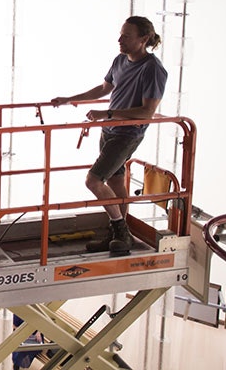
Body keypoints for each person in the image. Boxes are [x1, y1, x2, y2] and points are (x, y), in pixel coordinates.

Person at [51, 16, 167, 256]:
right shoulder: (120, 60)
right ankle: (120, 235)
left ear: (143, 39)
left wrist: (108, 112)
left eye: (126, 36)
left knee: (93, 181)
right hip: (109, 130)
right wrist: (69, 99)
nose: (119, 40)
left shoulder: (153, 69)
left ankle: (120, 230)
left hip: (127, 133)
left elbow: (147, 111)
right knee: (115, 181)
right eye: (120, 34)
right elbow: (104, 88)